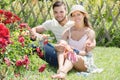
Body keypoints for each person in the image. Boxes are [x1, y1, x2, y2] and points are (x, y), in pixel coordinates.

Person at [51, 5, 96, 79]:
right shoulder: (68, 31)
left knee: (71, 55)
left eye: (78, 14)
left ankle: (62, 73)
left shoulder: (90, 32)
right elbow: (59, 46)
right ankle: (61, 68)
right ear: (71, 17)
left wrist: (74, 51)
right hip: (70, 56)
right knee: (62, 47)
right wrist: (59, 46)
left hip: (84, 60)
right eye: (74, 15)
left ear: (84, 15)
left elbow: (85, 52)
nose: (76, 17)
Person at [30, 1, 74, 66]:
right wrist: (35, 35)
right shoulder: (52, 23)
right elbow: (34, 29)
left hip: (70, 54)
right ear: (53, 13)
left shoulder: (73, 24)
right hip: (58, 53)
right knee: (36, 43)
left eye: (61, 12)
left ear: (66, 11)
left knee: (37, 46)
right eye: (56, 12)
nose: (59, 15)